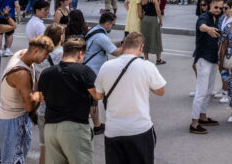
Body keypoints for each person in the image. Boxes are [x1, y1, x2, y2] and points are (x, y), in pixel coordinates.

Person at [93, 32, 166, 164]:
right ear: (141, 47)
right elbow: (160, 91)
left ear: (122, 46)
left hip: (113, 130)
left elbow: (98, 95)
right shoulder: (147, 66)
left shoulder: (106, 66)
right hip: (139, 129)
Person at [39, 36, 99, 164]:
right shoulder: (84, 71)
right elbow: (97, 95)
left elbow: (42, 99)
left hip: (50, 128)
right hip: (74, 127)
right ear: (80, 53)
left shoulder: (46, 73)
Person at [0, 35, 53, 164]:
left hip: (7, 119)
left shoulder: (21, 54)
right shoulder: (21, 73)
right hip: (13, 122)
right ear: (36, 51)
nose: (47, 57)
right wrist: (41, 95)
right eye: (46, 53)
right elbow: (28, 106)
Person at [84, 12, 123, 135]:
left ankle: (99, 123)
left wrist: (121, 43)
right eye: (113, 25)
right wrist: (128, 46)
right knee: (93, 100)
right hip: (92, 71)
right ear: (107, 23)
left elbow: (109, 46)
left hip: (89, 69)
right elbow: (116, 52)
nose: (113, 27)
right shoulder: (101, 36)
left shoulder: (95, 30)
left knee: (94, 98)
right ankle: (97, 126)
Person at [190, 0, 223, 134]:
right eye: (216, 7)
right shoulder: (204, 17)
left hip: (213, 58)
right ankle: (194, 123)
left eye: (221, 8)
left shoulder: (218, 19)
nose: (218, 10)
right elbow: (201, 26)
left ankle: (203, 117)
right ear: (211, 6)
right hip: (203, 58)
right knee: (201, 91)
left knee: (209, 91)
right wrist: (208, 29)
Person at [138, 0, 164, 65]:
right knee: (156, 38)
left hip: (145, 20)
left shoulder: (141, 0)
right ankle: (158, 59)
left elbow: (140, 14)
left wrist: (145, 15)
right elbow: (158, 10)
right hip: (153, 19)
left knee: (145, 39)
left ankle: (146, 59)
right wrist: (160, 20)